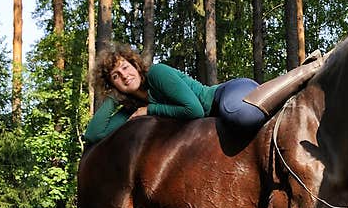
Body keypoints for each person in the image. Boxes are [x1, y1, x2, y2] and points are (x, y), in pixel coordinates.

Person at [83, 43, 324, 146]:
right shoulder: (130, 109)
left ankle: (306, 70)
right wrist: (115, 97)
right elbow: (95, 135)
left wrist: (149, 110)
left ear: (135, 65)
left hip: (226, 96)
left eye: (125, 67)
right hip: (215, 112)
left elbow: (194, 110)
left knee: (241, 118)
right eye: (115, 76)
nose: (124, 75)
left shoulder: (157, 74)